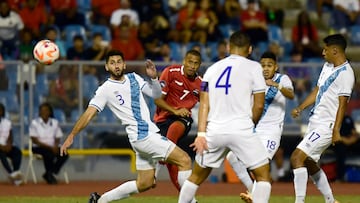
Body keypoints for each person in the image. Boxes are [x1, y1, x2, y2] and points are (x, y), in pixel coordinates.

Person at [60, 50, 194, 203]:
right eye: (112, 63)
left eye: (118, 62)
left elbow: (155, 95)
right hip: (144, 136)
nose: (116, 65)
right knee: (184, 160)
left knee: (145, 183)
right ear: (106, 67)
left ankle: (100, 201)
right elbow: (89, 114)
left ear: (124, 64)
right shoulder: (105, 89)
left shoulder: (134, 78)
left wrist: (154, 79)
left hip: (142, 137)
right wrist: (72, 135)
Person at [178, 31, 272, 203]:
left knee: (196, 177)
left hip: (215, 130)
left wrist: (201, 134)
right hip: (242, 128)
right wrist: (250, 126)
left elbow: (204, 103)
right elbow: (259, 105)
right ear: (249, 49)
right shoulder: (254, 67)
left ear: (229, 47)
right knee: (263, 175)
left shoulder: (212, 69)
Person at [290, 34, 355, 203]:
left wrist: (336, 130)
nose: (323, 52)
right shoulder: (327, 66)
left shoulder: (346, 74)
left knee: (296, 158)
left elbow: (343, 105)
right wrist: (301, 107)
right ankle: (330, 200)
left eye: (325, 49)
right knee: (310, 162)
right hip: (315, 122)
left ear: (335, 50)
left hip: (326, 125)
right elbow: (317, 90)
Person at [226, 51, 294, 202]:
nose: (266, 68)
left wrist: (276, 85)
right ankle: (252, 190)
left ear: (276, 67)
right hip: (254, 130)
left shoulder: (282, 79)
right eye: (263, 65)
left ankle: (255, 195)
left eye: (269, 65)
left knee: (261, 163)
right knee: (232, 157)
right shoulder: (255, 81)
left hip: (271, 131)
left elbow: (291, 94)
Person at [154, 49, 202, 191]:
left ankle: (161, 158)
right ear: (184, 61)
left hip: (183, 118)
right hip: (163, 119)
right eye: (190, 62)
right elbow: (157, 100)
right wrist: (175, 110)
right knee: (172, 162)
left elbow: (208, 104)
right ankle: (186, 197)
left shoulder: (201, 83)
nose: (192, 66)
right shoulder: (170, 72)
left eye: (196, 63)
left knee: (175, 130)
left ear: (199, 65)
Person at [29, 102, 69, 184]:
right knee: (48, 154)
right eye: (42, 110)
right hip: (39, 147)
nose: (44, 112)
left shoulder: (54, 122)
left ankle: (50, 173)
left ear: (50, 112)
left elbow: (58, 136)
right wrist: (50, 147)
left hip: (53, 146)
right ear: (39, 112)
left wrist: (55, 145)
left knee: (64, 153)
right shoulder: (34, 123)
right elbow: (34, 140)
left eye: (46, 110)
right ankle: (50, 175)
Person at [0, 103, 23, 185]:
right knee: (1, 154)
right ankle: (12, 174)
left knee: (17, 152)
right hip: (0, 148)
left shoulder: (7, 122)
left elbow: (10, 136)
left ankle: (15, 172)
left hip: (6, 146)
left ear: (2, 112)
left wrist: (9, 145)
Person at [333, 115, 359, 182]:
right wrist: (344, 140)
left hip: (350, 141)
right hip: (338, 142)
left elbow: (353, 131)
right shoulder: (334, 118)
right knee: (341, 151)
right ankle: (340, 177)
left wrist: (353, 139)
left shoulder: (348, 118)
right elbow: (333, 134)